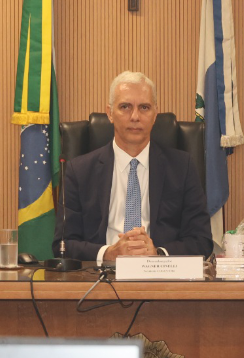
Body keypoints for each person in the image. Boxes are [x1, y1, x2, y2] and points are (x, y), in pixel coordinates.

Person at [53, 71, 213, 263]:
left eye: (144, 107)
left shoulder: (182, 167)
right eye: (125, 107)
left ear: (155, 114)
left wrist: (157, 254)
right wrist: (108, 253)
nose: (135, 116)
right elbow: (63, 244)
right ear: (109, 113)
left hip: (161, 277)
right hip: (100, 277)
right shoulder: (79, 171)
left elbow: (201, 241)